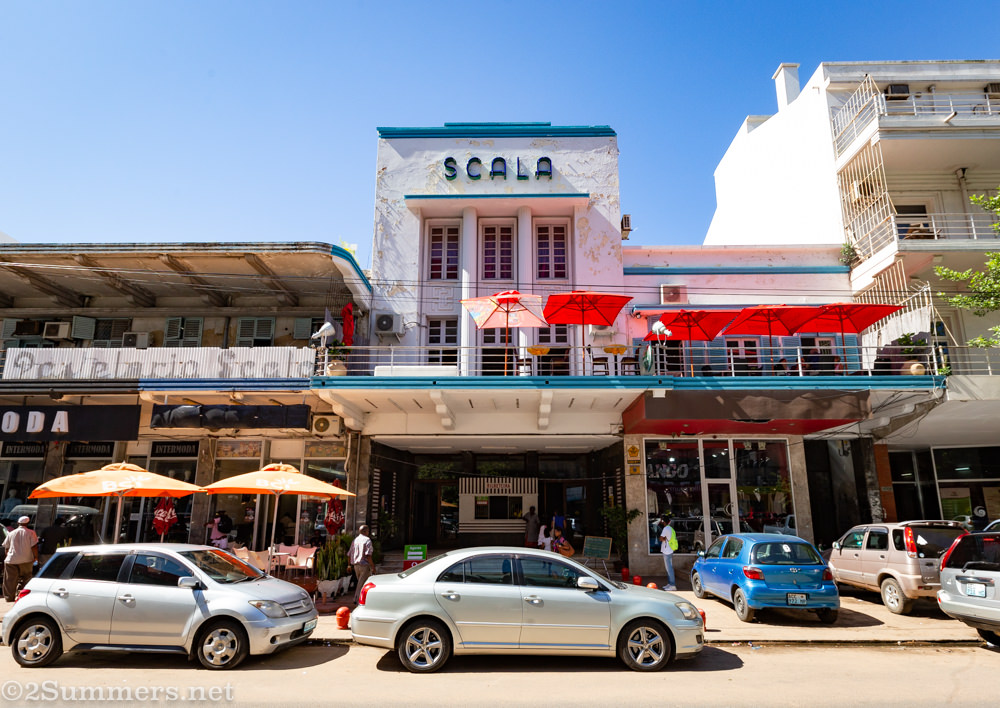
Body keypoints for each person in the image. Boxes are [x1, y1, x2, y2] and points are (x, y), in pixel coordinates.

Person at [3, 516, 38, 602]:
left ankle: (9, 598)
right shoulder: (31, 533)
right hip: (27, 560)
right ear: (27, 523)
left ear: (18, 523)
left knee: (10, 580)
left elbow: (6, 548)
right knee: (27, 578)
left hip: (11, 560)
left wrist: (8, 556)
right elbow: (34, 547)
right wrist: (36, 557)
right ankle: (25, 597)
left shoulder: (11, 533)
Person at [348, 525, 375, 603]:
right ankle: (356, 599)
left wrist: (349, 565)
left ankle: (363, 599)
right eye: (368, 531)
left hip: (356, 566)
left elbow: (349, 554)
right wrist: (373, 567)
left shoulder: (355, 540)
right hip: (364, 565)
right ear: (365, 531)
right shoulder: (367, 540)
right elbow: (368, 555)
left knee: (361, 582)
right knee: (361, 583)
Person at [658, 514, 677, 591]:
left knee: (669, 568)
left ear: (663, 521)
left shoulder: (666, 529)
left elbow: (660, 538)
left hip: (667, 551)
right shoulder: (670, 528)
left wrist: (664, 538)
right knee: (668, 568)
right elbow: (663, 538)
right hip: (669, 550)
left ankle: (672, 585)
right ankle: (670, 584)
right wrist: (664, 538)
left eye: (662, 521)